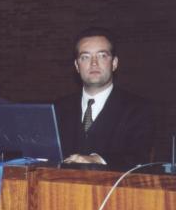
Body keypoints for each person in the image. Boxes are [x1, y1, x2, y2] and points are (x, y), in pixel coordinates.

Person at [55, 27, 155, 169]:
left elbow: (139, 156)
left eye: (102, 56)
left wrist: (97, 159)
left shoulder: (139, 108)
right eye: (85, 57)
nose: (94, 63)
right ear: (77, 66)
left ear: (114, 63)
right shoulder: (58, 108)